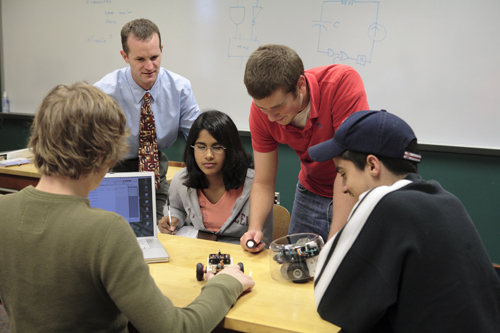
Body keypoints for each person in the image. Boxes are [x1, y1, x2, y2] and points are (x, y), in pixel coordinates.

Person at [0, 83, 254, 332]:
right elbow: (176, 328)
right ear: (103, 152)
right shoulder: (107, 230)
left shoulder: (3, 210)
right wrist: (225, 283)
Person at [309, 110, 500, 332]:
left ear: (372, 166)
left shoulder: (384, 202)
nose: (343, 187)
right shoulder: (446, 200)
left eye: (343, 173)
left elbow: (328, 299)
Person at [241, 44, 369, 252]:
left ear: (300, 85)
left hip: (353, 187)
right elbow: (263, 181)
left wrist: (333, 247)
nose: (271, 117)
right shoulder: (262, 112)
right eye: (262, 108)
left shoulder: (341, 84)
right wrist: (255, 229)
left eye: (277, 107)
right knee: (295, 270)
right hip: (311, 190)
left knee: (341, 265)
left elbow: (349, 170)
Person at [94, 18, 201, 221]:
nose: (150, 66)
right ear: (124, 56)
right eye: (140, 59)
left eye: (154, 57)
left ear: (161, 49)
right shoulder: (103, 92)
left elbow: (199, 139)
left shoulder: (180, 88)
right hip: (113, 172)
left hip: (156, 174)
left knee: (163, 229)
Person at [159, 110, 273, 246]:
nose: (208, 155)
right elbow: (176, 208)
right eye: (201, 147)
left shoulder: (256, 185)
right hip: (197, 255)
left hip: (243, 258)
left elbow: (263, 241)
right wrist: (174, 219)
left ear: (230, 149)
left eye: (217, 147)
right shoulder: (182, 180)